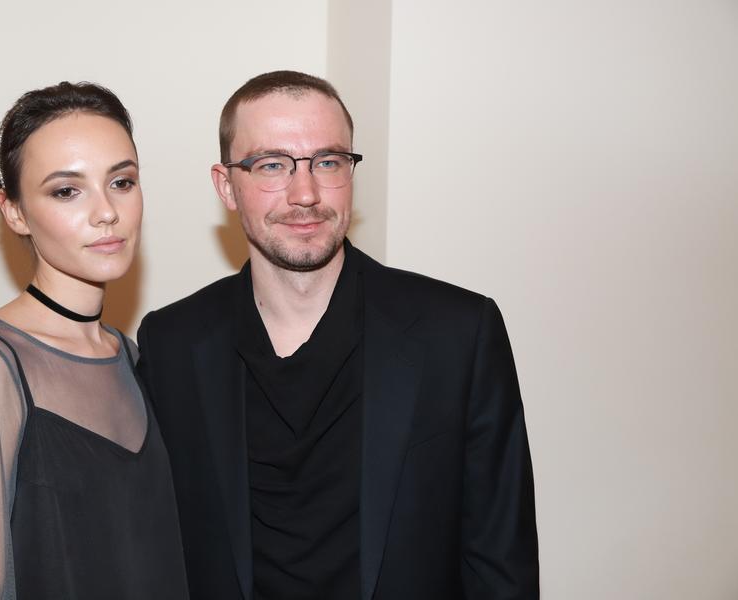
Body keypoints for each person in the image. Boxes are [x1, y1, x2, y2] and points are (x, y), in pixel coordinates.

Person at [136, 70, 539, 600]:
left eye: (327, 162)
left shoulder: (459, 333)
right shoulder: (171, 343)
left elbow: (501, 564)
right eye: (272, 164)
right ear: (226, 186)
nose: (305, 193)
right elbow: (152, 551)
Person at [0, 82, 188, 600]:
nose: (106, 212)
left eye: (122, 182)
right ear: (14, 212)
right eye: (67, 191)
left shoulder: (134, 358)